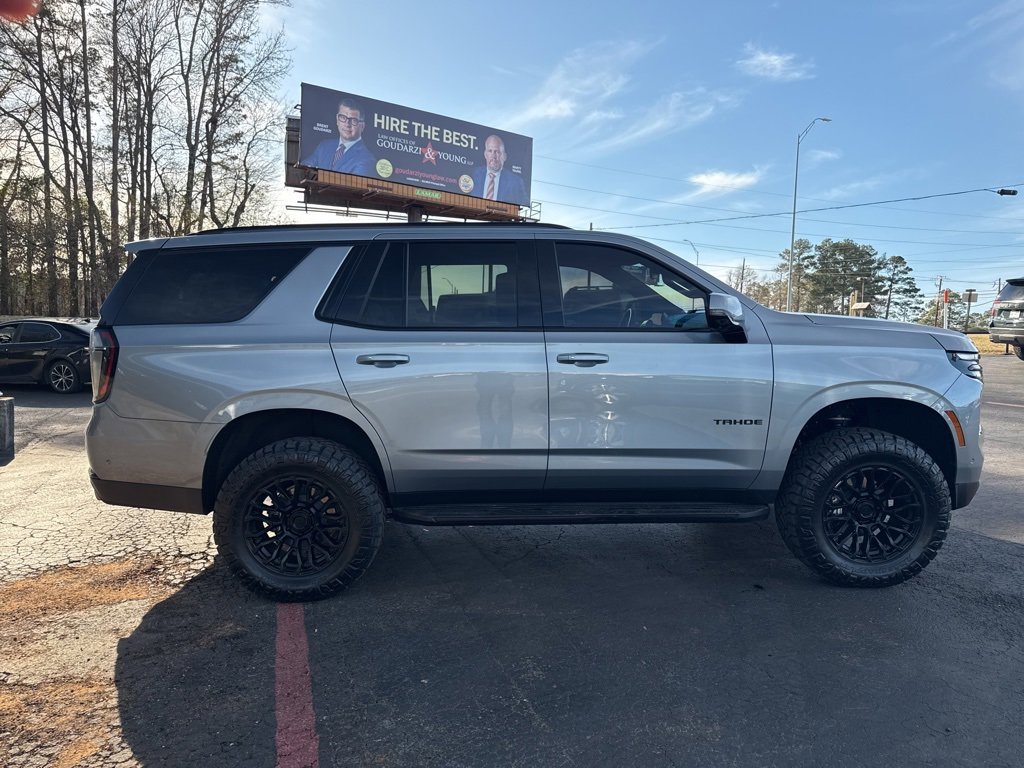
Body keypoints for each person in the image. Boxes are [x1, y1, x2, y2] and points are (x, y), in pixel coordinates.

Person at [301, 97, 375, 176]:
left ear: (362, 126)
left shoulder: (367, 160)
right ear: (337, 119)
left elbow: (353, 185)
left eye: (353, 120)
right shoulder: (324, 146)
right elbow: (305, 165)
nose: (347, 124)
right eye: (343, 117)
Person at [472, 134, 527, 206]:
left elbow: (523, 202)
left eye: (497, 152)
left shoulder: (516, 182)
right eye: (490, 151)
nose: (493, 156)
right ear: (485, 154)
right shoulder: (473, 174)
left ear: (504, 156)